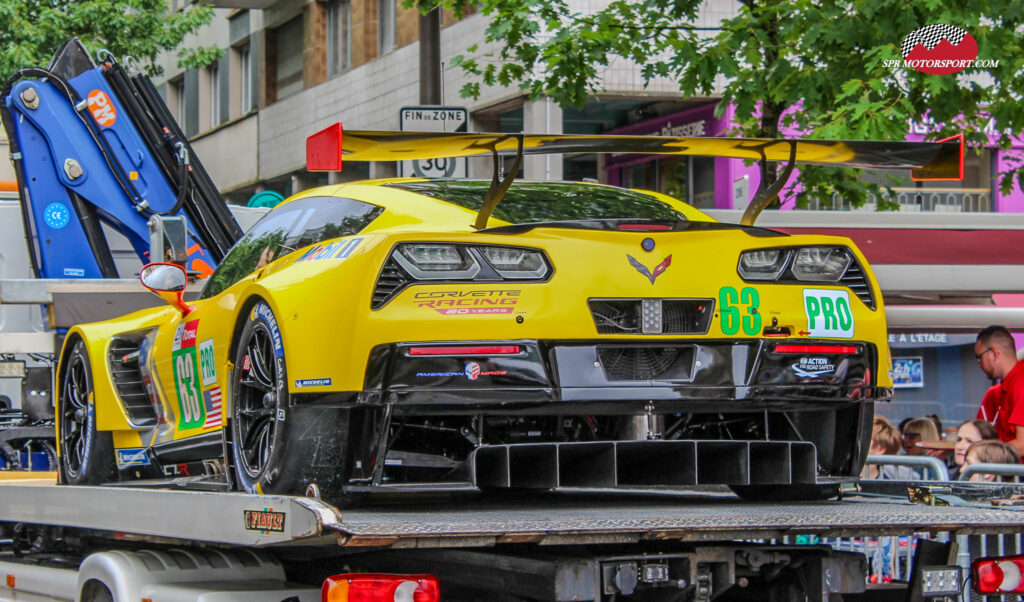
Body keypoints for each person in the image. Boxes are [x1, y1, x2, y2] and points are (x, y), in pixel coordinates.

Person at [974, 325, 1024, 456]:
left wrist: (979, 454)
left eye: (979, 358)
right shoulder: (1008, 384)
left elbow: (1022, 444)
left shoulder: (1020, 383)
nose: (979, 364)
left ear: (995, 353)